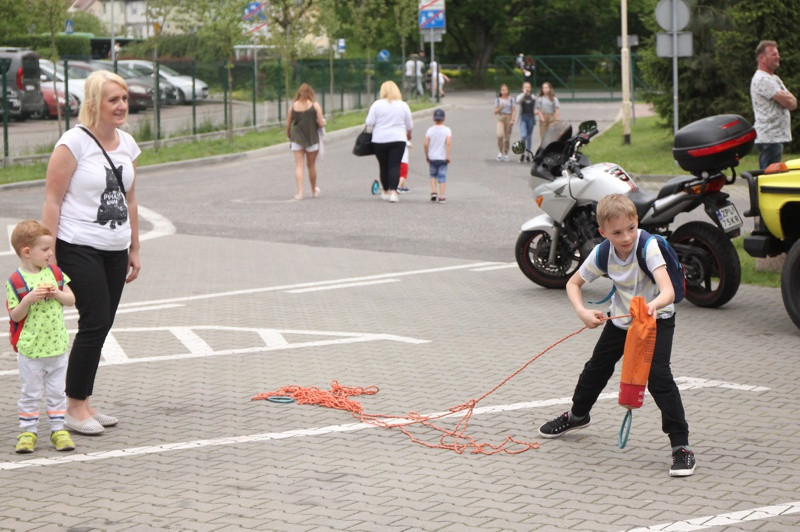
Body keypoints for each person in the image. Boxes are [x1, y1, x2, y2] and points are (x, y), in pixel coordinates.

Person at [538, 193, 695, 478]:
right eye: (617, 232)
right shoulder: (602, 253)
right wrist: (582, 311)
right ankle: (577, 415)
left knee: (659, 378)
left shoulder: (648, 248)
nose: (626, 237)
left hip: (656, 319)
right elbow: (573, 284)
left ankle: (681, 446)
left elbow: (669, 290)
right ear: (603, 233)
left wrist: (650, 306)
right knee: (596, 368)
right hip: (622, 320)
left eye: (631, 228)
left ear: (637, 223)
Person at [42, 69, 141, 436]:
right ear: (94, 103)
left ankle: (82, 401)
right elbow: (52, 199)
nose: (121, 106)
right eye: (113, 99)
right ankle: (72, 408)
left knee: (103, 324)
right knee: (95, 320)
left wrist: (135, 246)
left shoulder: (128, 144)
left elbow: (130, 198)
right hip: (77, 244)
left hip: (116, 248)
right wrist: (48, 253)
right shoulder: (74, 143)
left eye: (124, 99)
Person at [7, 220, 76, 453]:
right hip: (31, 350)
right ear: (27, 251)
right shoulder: (16, 281)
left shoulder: (55, 273)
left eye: (50, 249)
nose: (50, 254)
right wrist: (27, 299)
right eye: (45, 249)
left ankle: (59, 430)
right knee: (30, 393)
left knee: (57, 392)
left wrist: (56, 293)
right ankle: (28, 432)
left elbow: (71, 300)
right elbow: (15, 315)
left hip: (57, 346)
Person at [750, 40, 797, 169]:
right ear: (761, 58)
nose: (778, 57)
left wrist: (785, 99)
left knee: (771, 175)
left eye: (777, 53)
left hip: (775, 138)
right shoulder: (762, 79)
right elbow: (788, 101)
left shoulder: (774, 78)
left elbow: (793, 103)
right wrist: (785, 98)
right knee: (768, 176)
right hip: (769, 138)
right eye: (773, 54)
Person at [365, 80, 413, 203]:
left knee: (384, 166)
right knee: (395, 165)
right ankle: (393, 192)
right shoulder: (403, 105)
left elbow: (369, 122)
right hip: (398, 139)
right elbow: (409, 125)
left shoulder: (376, 105)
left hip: (379, 140)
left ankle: (385, 191)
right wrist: (408, 135)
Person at [286, 83, 326, 200]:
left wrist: (289, 135)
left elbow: (288, 124)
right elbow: (321, 123)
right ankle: (313, 190)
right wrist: (322, 122)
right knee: (311, 165)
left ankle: (300, 193)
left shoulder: (293, 106)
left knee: (299, 165)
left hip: (297, 138)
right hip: (312, 138)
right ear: (311, 93)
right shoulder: (315, 105)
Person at [425, 108, 452, 203]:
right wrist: (448, 155)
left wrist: (427, 155)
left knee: (432, 175)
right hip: (442, 157)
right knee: (442, 176)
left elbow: (426, 144)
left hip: (432, 156)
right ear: (444, 119)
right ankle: (442, 196)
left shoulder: (430, 130)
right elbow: (448, 143)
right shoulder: (447, 130)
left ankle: (434, 191)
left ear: (433, 119)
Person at [493, 84, 516, 161]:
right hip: (501, 117)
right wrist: (500, 106)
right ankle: (500, 151)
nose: (504, 91)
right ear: (500, 91)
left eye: (506, 90)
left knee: (507, 137)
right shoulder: (498, 100)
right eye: (502, 90)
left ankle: (506, 153)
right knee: (499, 135)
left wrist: (512, 119)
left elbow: (514, 110)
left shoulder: (511, 99)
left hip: (508, 117)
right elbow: (495, 112)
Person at [516, 81, 537, 162]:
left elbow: (536, 107)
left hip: (531, 117)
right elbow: (517, 101)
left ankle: (528, 154)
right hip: (523, 118)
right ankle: (522, 153)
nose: (527, 89)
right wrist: (524, 94)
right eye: (525, 87)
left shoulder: (533, 97)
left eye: (528, 87)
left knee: (529, 136)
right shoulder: (521, 97)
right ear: (523, 88)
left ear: (530, 88)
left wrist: (536, 111)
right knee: (523, 135)